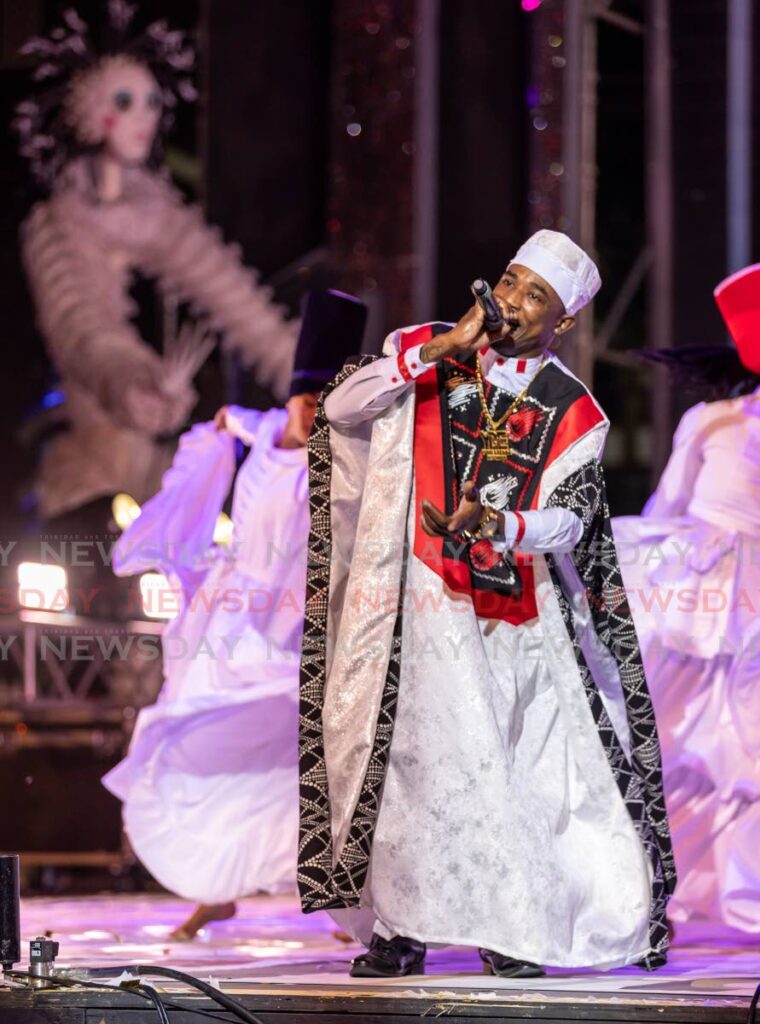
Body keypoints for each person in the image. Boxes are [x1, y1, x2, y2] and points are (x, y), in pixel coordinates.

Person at [297, 230, 675, 978]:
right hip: (412, 607)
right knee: (410, 765)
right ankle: (401, 930)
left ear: (560, 321)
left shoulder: (575, 410)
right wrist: (439, 352)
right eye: (510, 280)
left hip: (511, 619)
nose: (511, 301)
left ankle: (507, 922)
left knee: (508, 767)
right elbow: (339, 410)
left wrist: (500, 523)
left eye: (535, 295)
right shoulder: (427, 348)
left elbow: (571, 516)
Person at [103, 291, 366, 939]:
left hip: (288, 624)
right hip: (226, 617)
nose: (313, 418)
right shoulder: (263, 427)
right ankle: (209, 886)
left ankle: (334, 892)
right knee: (190, 732)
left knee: (304, 755)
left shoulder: (342, 463)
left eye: (324, 409)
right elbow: (229, 422)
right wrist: (223, 425)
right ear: (293, 400)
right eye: (307, 405)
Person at [15, 2, 297, 523]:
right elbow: (83, 327)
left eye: (151, 101)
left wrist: (303, 370)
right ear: (92, 113)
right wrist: (137, 384)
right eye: (126, 100)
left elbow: (233, 296)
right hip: (92, 472)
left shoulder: (158, 210)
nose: (144, 114)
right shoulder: (60, 224)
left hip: (156, 470)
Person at [613, 261, 760, 940]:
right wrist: (635, 585)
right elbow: (664, 507)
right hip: (695, 601)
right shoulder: (710, 423)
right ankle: (643, 894)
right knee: (672, 750)